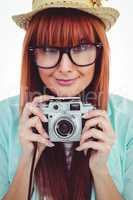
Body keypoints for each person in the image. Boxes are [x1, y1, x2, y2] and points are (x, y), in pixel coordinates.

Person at [0, 0, 133, 200]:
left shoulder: (128, 119)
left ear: (100, 52)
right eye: (49, 48)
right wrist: (26, 161)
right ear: (32, 54)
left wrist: (101, 172)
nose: (64, 67)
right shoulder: (4, 117)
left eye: (80, 47)